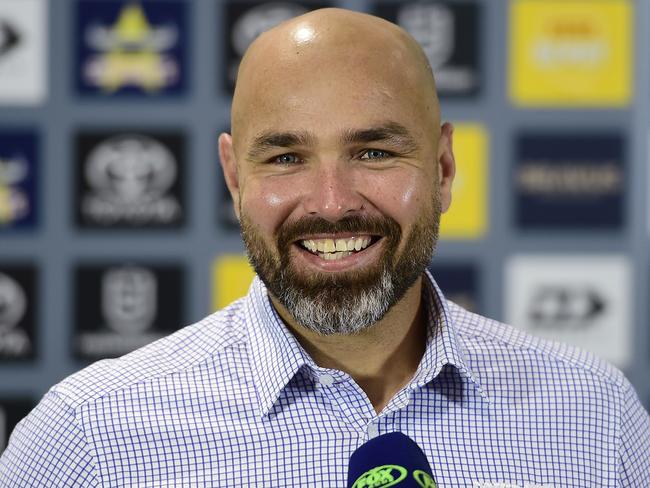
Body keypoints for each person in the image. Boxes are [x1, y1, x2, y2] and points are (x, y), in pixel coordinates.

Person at [1, 8, 648, 487]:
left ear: (445, 168)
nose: (333, 201)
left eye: (374, 151)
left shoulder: (595, 414)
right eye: (286, 157)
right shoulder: (87, 438)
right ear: (234, 177)